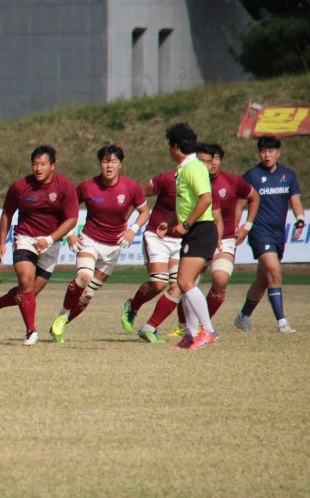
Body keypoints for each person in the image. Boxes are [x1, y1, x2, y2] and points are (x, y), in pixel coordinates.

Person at [50, 145, 149, 343]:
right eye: (105, 161)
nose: (109, 165)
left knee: (87, 295)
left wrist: (132, 230)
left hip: (114, 248)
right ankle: (61, 317)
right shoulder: (88, 186)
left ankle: (59, 325)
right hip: (89, 241)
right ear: (100, 164)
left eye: (113, 161)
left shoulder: (131, 187)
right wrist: (69, 233)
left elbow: (145, 212)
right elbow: (65, 209)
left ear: (120, 164)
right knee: (84, 277)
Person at [0, 145, 79, 345]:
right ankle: (31, 331)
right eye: (35, 164)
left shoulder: (65, 186)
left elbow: (71, 219)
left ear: (53, 166)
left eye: (43, 164)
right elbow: (7, 213)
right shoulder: (19, 187)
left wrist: (51, 239)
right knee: (25, 282)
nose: (38, 168)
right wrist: (1, 243)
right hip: (26, 239)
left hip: (51, 243)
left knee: (27, 295)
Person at [234, 135, 305, 334]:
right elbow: (239, 205)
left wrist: (300, 219)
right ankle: (281, 322)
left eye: (271, 151)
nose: (267, 155)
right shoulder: (252, 176)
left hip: (278, 234)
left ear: (278, 152)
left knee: (263, 280)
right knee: (274, 272)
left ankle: (243, 317)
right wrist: (237, 227)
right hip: (259, 232)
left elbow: (295, 200)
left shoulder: (288, 175)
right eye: (263, 151)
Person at [158, 123, 218, 349]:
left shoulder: (193, 167)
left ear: (175, 147)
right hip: (193, 230)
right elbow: (188, 202)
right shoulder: (183, 168)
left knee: (184, 282)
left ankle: (209, 330)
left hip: (201, 229)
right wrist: (171, 222)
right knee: (184, 284)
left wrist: (186, 224)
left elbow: (206, 199)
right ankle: (192, 335)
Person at [194, 142, 259, 318]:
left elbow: (254, 198)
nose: (213, 163)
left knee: (220, 279)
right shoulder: (192, 181)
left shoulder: (233, 181)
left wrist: (247, 226)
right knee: (187, 284)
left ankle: (203, 325)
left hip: (226, 238)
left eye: (216, 158)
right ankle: (183, 326)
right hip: (198, 238)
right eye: (209, 159)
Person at [120, 168, 184, 343]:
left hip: (180, 240)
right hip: (157, 237)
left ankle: (149, 328)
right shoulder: (166, 179)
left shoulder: (202, 184)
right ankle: (132, 307)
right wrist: (125, 221)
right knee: (158, 284)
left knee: (178, 288)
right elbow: (138, 195)